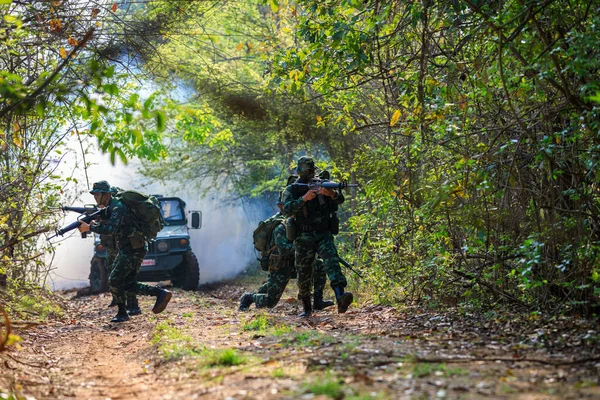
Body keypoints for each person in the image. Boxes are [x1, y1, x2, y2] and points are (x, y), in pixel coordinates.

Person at [78, 181, 172, 323]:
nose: (95, 197)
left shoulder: (118, 207)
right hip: (132, 247)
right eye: (94, 194)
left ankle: (124, 311)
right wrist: (95, 223)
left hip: (132, 248)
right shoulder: (113, 206)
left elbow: (111, 229)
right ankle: (158, 294)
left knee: (115, 280)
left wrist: (89, 228)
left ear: (107, 194)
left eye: (98, 194)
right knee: (127, 282)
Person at [238, 185, 334, 312]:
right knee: (270, 302)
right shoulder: (281, 227)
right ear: (281, 206)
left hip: (295, 264)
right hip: (281, 267)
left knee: (319, 266)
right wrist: (305, 248)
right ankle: (249, 298)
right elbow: (284, 249)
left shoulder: (298, 223)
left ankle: (318, 301)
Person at [281, 156, 353, 317]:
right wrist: (304, 198)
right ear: (298, 172)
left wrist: (331, 194)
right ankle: (307, 308)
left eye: (311, 171)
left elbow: (340, 199)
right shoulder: (292, 189)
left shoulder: (324, 184)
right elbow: (286, 209)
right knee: (304, 271)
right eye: (306, 171)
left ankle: (340, 296)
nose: (309, 174)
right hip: (303, 236)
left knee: (332, 261)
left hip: (323, 234)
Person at [102, 186, 141, 316]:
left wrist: (94, 225)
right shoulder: (111, 209)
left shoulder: (120, 208)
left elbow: (112, 227)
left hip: (124, 247)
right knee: (116, 276)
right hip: (115, 247)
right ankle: (121, 302)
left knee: (126, 277)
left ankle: (132, 305)